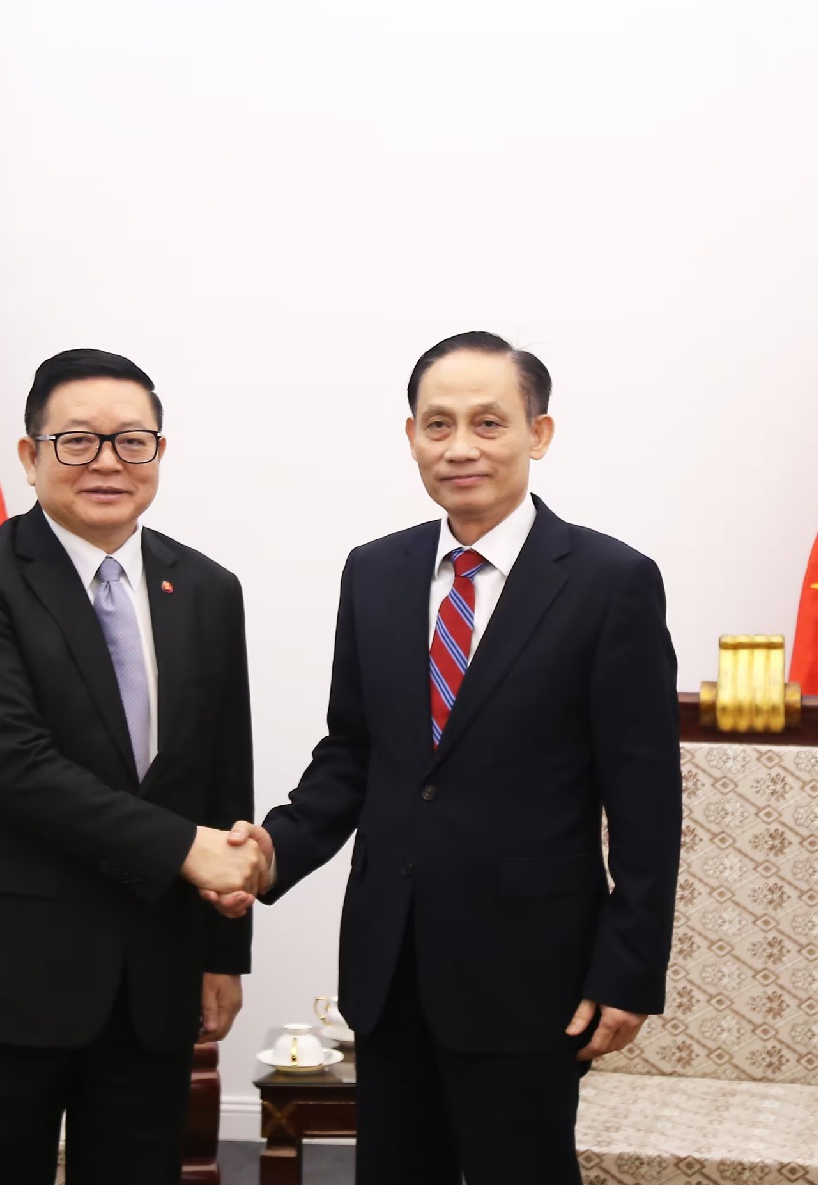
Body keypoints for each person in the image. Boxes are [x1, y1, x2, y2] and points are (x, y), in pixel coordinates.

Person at [211, 332, 682, 1183]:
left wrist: (630, 968)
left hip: (532, 972)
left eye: (488, 423)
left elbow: (646, 802)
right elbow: (353, 753)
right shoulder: (374, 571)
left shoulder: (611, 581)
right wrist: (272, 851)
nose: (460, 446)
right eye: (438, 424)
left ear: (539, 433)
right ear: (412, 437)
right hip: (389, 964)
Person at [0, 348, 265, 1184]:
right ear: (29, 455)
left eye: (132, 441)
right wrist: (184, 848)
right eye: (77, 441)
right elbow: (10, 766)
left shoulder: (206, 588)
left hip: (153, 981)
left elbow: (223, 774)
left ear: (159, 454)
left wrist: (223, 951)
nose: (108, 462)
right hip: (3, 976)